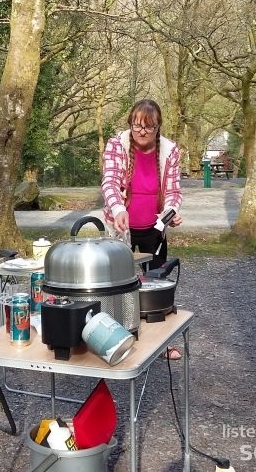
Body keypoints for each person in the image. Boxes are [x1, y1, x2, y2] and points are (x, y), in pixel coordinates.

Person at [100, 99, 184, 359]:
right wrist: (118, 210)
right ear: (130, 124)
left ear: (158, 127)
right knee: (116, 287)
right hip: (121, 228)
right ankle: (113, 343)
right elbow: (110, 183)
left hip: (154, 229)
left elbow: (173, 191)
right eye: (137, 125)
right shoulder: (117, 145)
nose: (142, 131)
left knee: (157, 287)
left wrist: (171, 212)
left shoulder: (170, 151)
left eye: (149, 127)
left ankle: (161, 343)